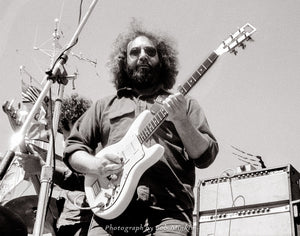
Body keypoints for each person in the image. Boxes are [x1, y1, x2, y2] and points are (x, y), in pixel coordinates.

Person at [63, 23, 218, 236]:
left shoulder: (186, 104)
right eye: (134, 52)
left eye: (150, 51)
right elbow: (74, 149)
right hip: (110, 214)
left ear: (162, 60)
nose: (142, 56)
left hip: (168, 214)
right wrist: (96, 165)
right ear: (124, 62)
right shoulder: (104, 106)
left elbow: (205, 157)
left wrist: (181, 120)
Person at [15, 93, 93, 236]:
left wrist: (41, 167)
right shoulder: (70, 157)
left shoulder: (94, 151)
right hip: (65, 223)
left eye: (65, 133)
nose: (64, 140)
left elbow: (76, 178)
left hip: (87, 224)